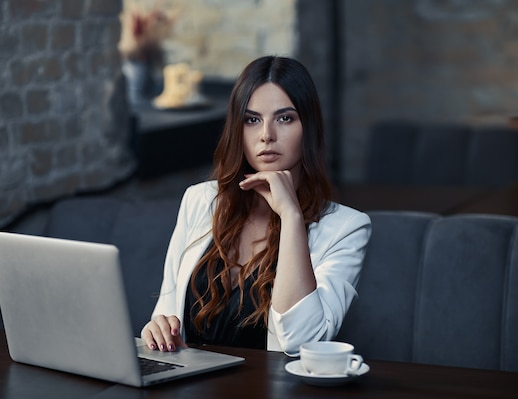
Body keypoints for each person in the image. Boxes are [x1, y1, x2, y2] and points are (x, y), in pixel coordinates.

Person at [141, 55, 371, 356]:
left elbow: (301, 341)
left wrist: (290, 216)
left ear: (309, 128)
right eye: (252, 120)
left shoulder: (347, 228)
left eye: (285, 118)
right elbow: (167, 315)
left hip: (270, 396)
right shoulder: (199, 201)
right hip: (189, 391)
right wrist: (156, 328)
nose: (266, 135)